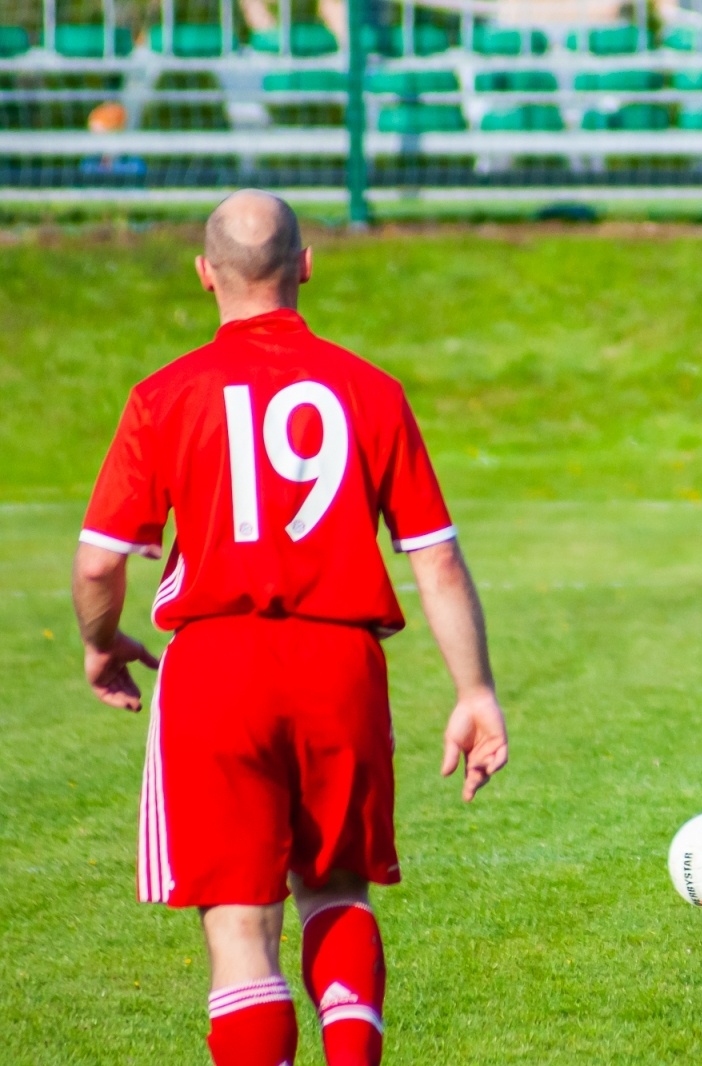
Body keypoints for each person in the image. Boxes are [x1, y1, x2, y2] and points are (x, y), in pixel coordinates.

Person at [71, 189, 510, 1066]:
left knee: (240, 926)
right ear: (306, 265)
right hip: (341, 666)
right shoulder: (372, 390)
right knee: (339, 893)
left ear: (205, 275)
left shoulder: (164, 395)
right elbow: (436, 559)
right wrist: (475, 692)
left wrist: (99, 641)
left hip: (215, 671)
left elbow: (97, 561)